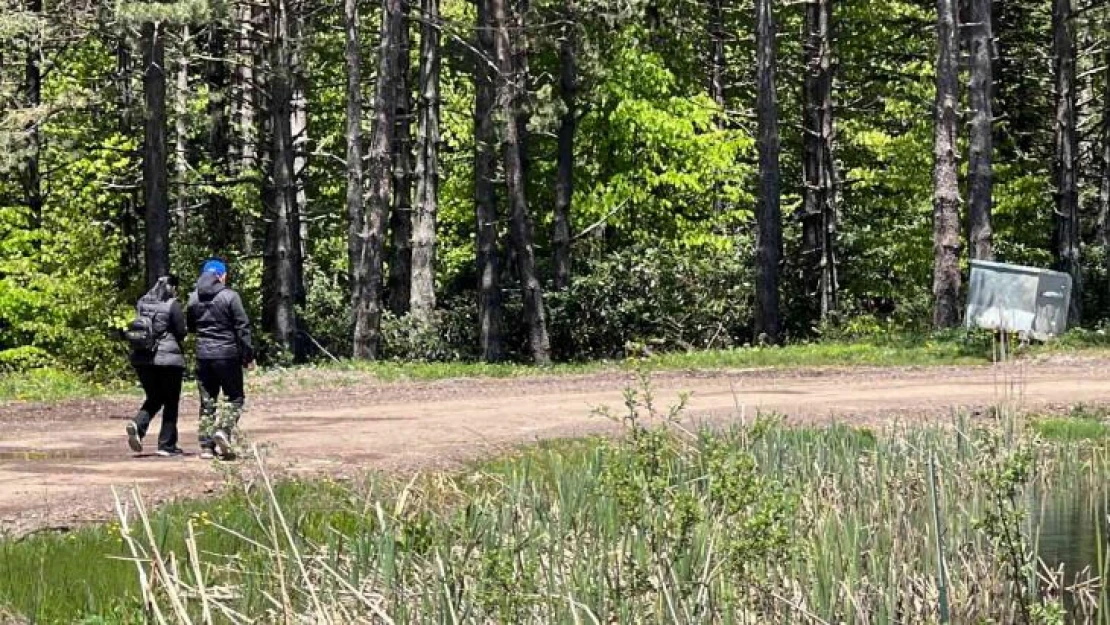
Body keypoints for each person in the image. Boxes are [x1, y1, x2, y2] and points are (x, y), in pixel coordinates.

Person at [186, 259, 255, 460]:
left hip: (203, 356)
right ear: (221, 276)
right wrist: (248, 356)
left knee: (207, 401)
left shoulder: (193, 299)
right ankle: (223, 431)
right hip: (227, 355)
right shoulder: (230, 297)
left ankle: (207, 447)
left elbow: (191, 327)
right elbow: (243, 328)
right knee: (235, 397)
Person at [126, 275, 187, 457]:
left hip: (142, 358)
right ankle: (166, 445)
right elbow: (181, 331)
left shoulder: (142, 303)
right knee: (170, 402)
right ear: (172, 288)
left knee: (154, 397)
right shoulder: (172, 305)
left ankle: (138, 424)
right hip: (168, 360)